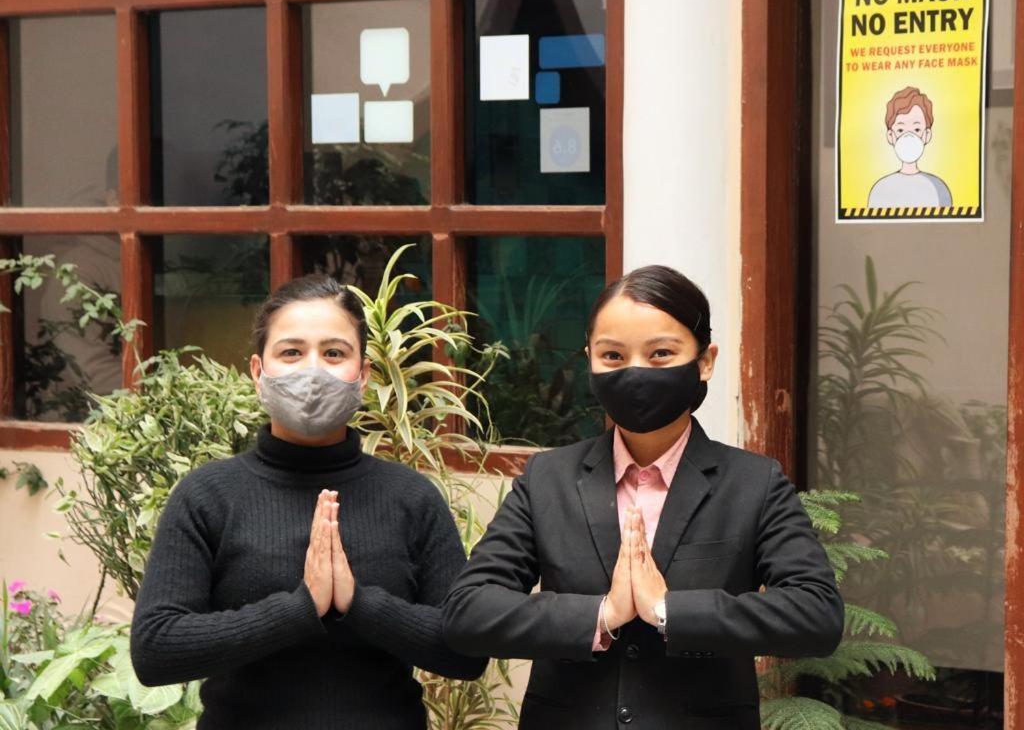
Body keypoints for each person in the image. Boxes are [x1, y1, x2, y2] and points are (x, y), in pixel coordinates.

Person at [443, 265, 843, 729]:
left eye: (660, 354)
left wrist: (669, 610)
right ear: (589, 360)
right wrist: (602, 614)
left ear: (705, 360)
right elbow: (468, 611)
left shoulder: (754, 483)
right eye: (613, 356)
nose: (635, 373)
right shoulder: (547, 478)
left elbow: (816, 615)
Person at [131, 275, 486, 729]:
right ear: (259, 372)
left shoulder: (411, 497)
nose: (312, 370)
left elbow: (467, 653)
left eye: (334, 353)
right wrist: (301, 608)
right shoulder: (208, 496)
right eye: (292, 352)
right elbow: (156, 650)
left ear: (363, 374)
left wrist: (360, 604)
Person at [867, 86, 952, 209]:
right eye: (900, 130)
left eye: (916, 129)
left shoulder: (938, 189)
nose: (908, 137)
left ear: (927, 135)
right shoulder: (879, 190)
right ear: (890, 136)